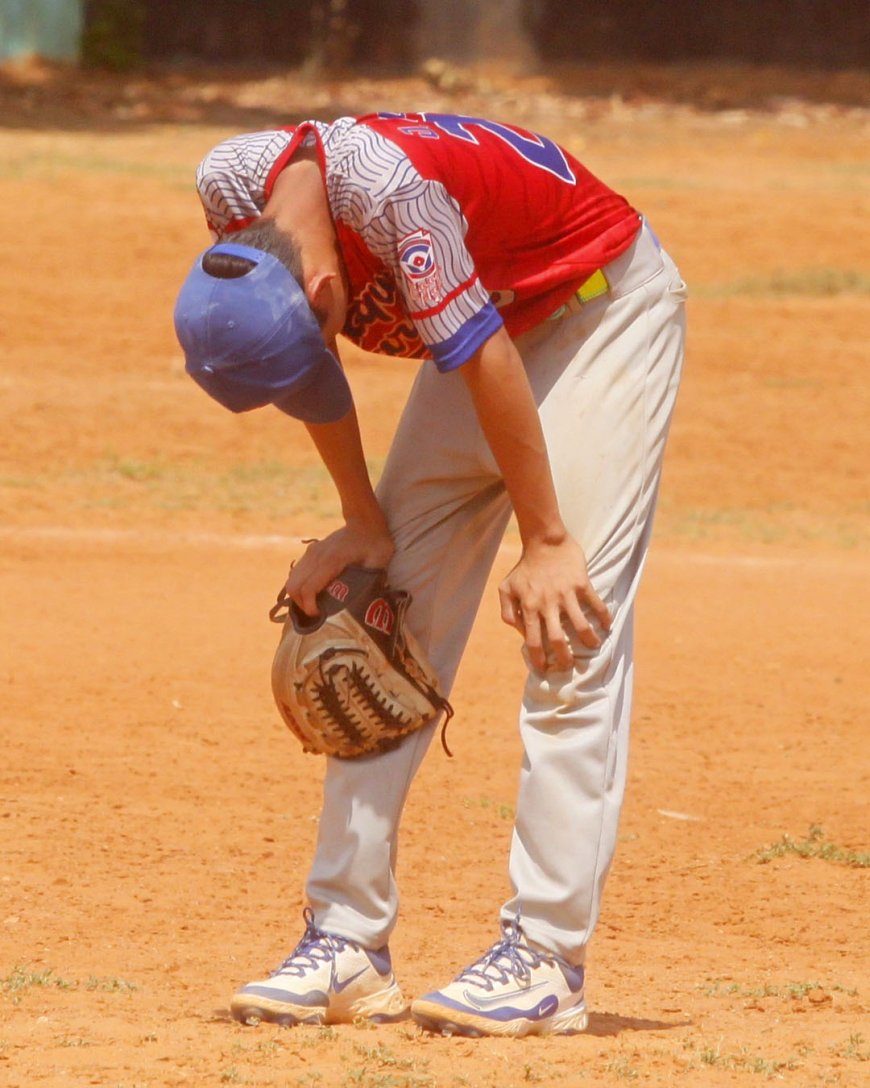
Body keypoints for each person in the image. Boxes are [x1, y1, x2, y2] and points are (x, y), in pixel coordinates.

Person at [174, 111, 687, 1038]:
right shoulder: (231, 185)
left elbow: (479, 350)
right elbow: (310, 354)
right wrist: (363, 526)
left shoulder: (390, 192)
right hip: (486, 319)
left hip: (596, 309)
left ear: (320, 283)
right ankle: (345, 943)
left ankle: (547, 955)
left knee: (565, 622)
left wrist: (545, 540)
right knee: (377, 620)